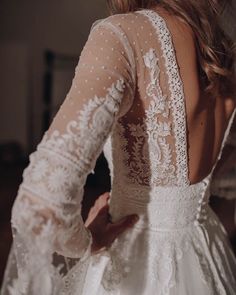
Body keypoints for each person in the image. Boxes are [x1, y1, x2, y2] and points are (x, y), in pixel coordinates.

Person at [1, 0, 236, 294]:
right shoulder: (223, 52)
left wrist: (85, 241)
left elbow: (42, 199)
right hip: (204, 254)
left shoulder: (123, 34)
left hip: (135, 259)